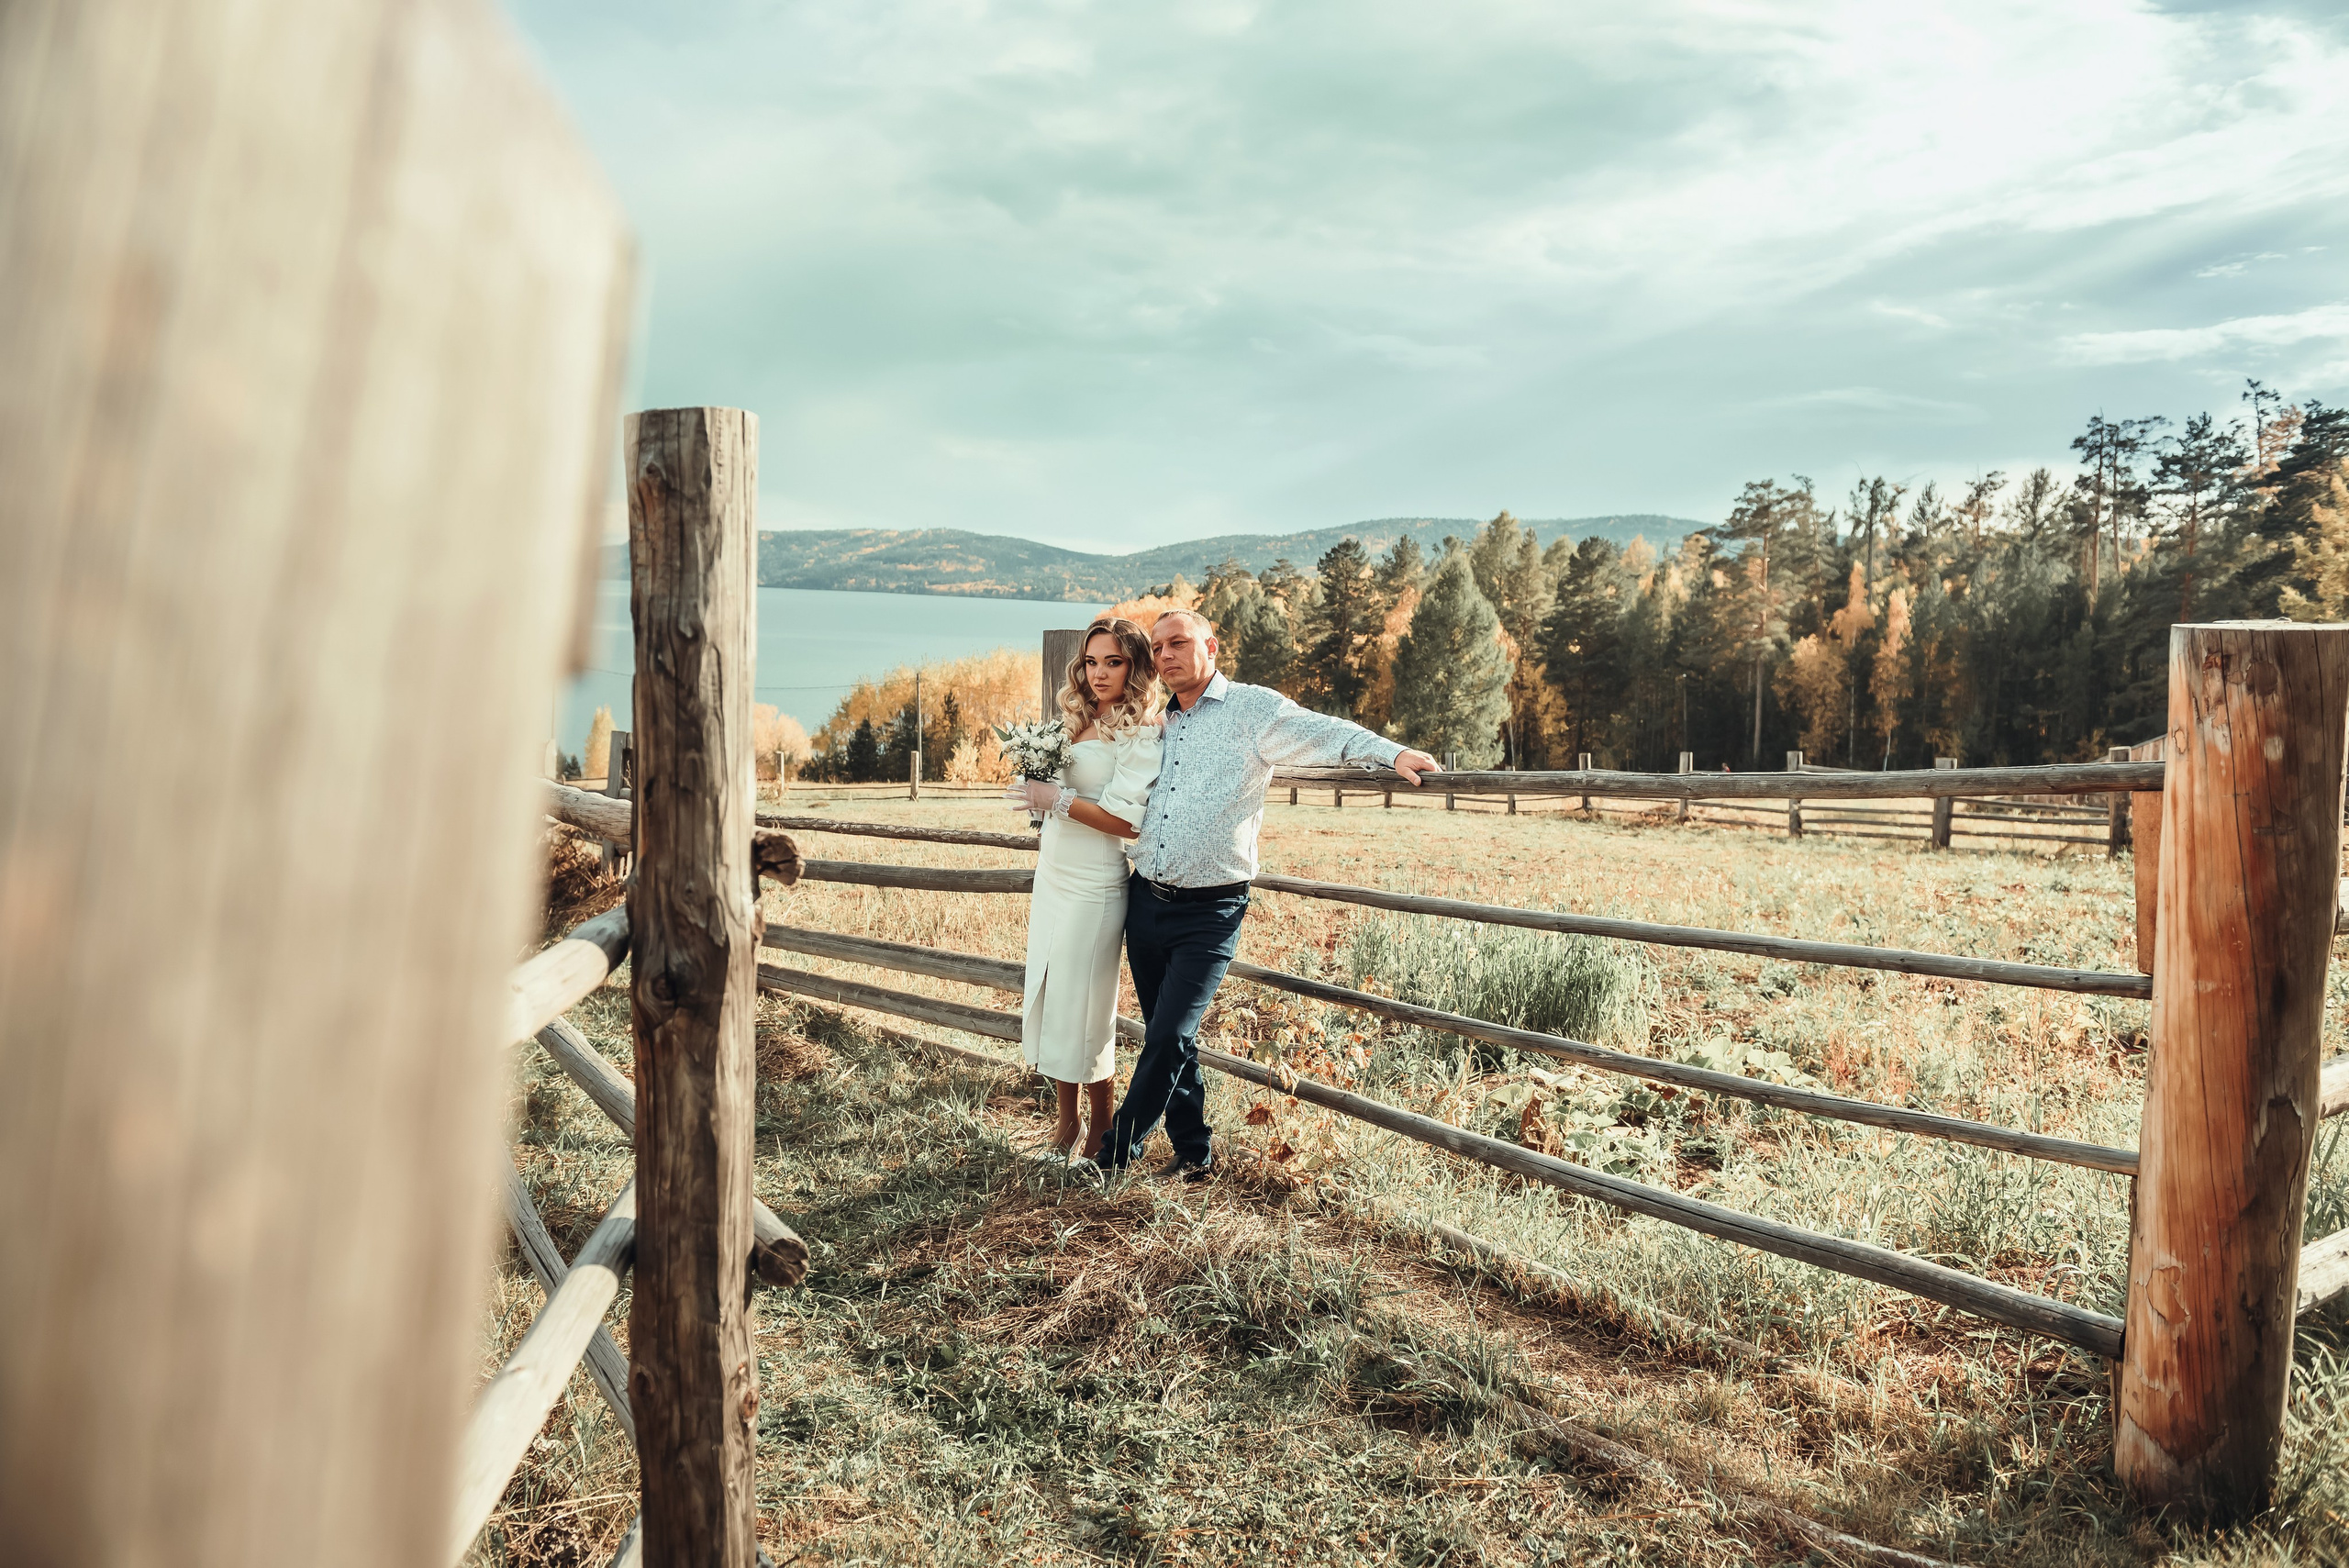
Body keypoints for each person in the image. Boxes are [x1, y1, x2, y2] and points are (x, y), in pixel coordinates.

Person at [1097, 608, 1441, 1180]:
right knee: (1169, 1039)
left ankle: (1113, 1155)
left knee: (1168, 1035)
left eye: (1178, 643)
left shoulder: (1252, 709)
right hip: (1146, 898)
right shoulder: (1162, 721)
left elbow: (1325, 731)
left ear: (1210, 645)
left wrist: (1392, 752)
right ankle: (1194, 1152)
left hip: (1211, 910)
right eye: (1157, 649)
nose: (1166, 656)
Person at [1002, 616, 1163, 1158]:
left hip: (1096, 885)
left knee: (1088, 1007)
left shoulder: (1141, 732)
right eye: (1092, 661)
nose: (1099, 673)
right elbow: (1050, 789)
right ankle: (1064, 1125)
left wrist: (1058, 801)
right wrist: (1032, 785)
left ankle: (1099, 1130)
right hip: (1054, 876)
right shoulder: (1074, 715)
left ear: (1135, 666)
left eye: (1113, 662)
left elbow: (1127, 821)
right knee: (1053, 996)